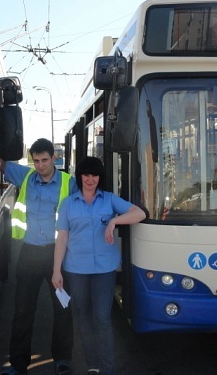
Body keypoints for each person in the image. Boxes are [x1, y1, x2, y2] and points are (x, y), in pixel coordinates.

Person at [0, 138, 77, 375]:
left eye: (44, 160)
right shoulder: (26, 177)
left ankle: (62, 359)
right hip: (29, 254)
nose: (40, 165)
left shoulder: (69, 182)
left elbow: (81, 211)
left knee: (62, 307)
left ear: (54, 158)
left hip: (57, 256)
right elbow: (5, 164)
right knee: (22, 311)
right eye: (36, 160)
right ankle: (18, 364)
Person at [51, 156, 146, 375]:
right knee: (83, 316)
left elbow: (139, 213)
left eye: (94, 175)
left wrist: (114, 221)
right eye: (86, 174)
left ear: (100, 177)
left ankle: (108, 368)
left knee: (102, 318)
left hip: (104, 269)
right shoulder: (68, 203)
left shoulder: (109, 200)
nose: (90, 179)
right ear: (80, 176)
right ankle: (92, 366)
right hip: (76, 270)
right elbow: (62, 238)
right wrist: (56, 270)